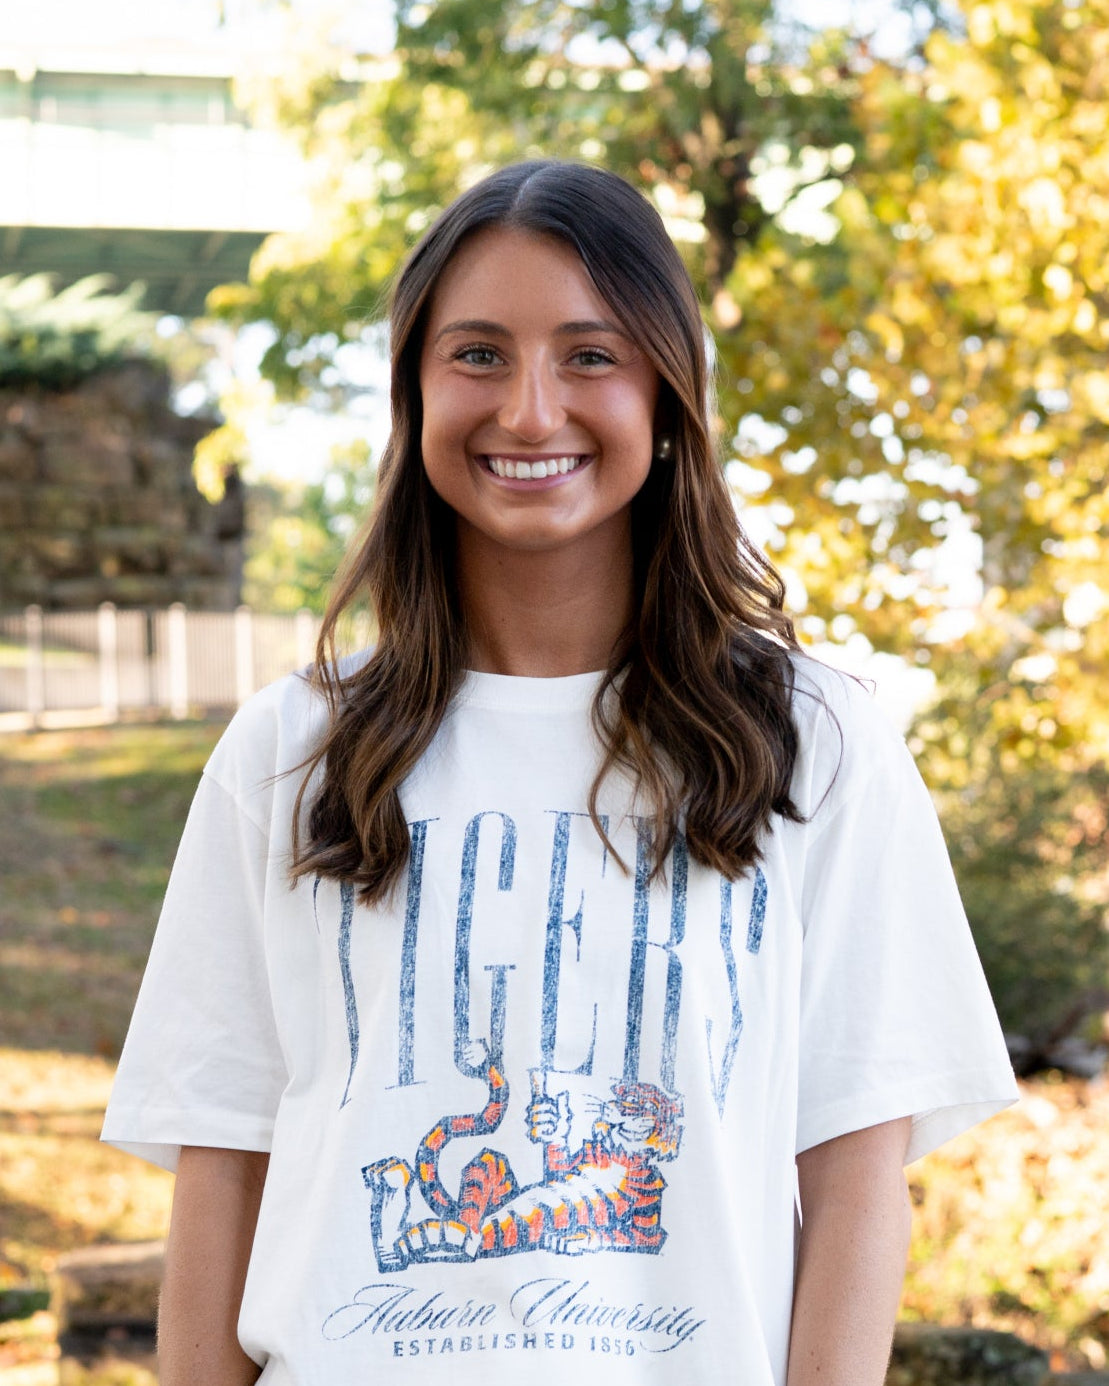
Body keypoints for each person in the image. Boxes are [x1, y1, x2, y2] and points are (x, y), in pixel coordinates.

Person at [103, 160, 1018, 1386]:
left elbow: (853, 1177)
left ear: (666, 391)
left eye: (588, 355)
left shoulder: (811, 743)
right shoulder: (291, 751)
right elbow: (226, 1160)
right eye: (477, 354)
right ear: (414, 390)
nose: (530, 412)